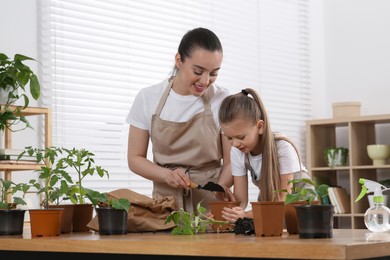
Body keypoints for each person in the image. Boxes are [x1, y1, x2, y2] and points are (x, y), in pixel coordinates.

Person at [126, 27, 232, 213]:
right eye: (198, 71)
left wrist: (219, 190)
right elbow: (135, 158)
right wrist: (167, 175)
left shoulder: (222, 100)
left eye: (214, 73)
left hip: (211, 207)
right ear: (179, 61)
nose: (205, 81)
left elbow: (232, 162)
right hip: (166, 207)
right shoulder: (148, 98)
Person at [218, 88, 312, 222]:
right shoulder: (237, 151)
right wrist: (228, 213)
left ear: (260, 126)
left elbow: (282, 201)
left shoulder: (282, 148)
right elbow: (241, 201)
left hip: (300, 204)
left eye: (241, 137)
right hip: (270, 203)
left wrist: (245, 215)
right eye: (229, 138)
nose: (235, 144)